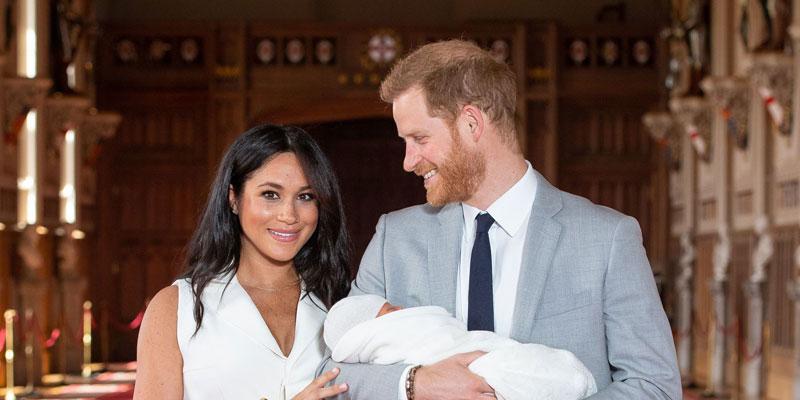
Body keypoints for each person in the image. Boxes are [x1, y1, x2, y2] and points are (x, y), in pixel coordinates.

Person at [320, 40, 681, 399]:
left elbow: (654, 387)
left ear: (471, 123)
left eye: (419, 138)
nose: (408, 161)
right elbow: (329, 376)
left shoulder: (608, 238)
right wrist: (416, 385)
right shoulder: (394, 239)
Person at [135, 124, 351, 400]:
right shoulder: (176, 309)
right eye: (270, 194)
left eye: (305, 197)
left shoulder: (338, 302)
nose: (289, 215)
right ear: (233, 198)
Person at [323, 294, 597, 400]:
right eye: (393, 309)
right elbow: (332, 373)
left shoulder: (611, 233)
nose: (403, 310)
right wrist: (414, 383)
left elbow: (639, 377)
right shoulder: (390, 234)